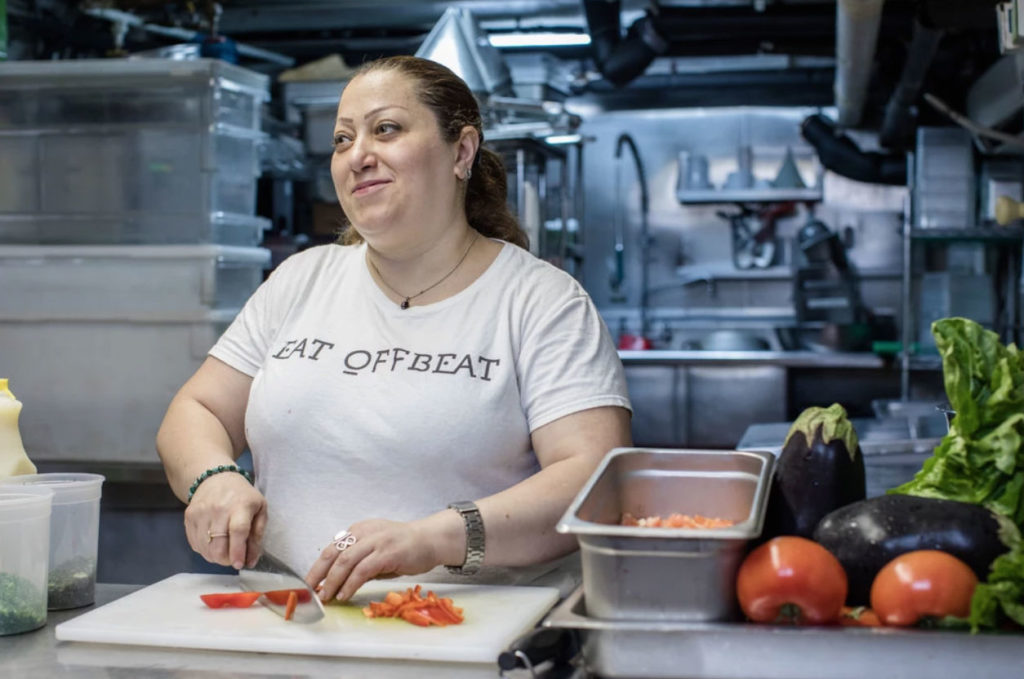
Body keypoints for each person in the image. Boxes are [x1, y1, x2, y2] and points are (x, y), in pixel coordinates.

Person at [156, 55, 632, 603]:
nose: (357, 156)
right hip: (292, 630)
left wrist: (434, 538)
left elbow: (594, 481)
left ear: (462, 151)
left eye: (386, 129)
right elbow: (197, 411)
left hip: (463, 635)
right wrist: (213, 477)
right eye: (341, 139)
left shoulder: (540, 302)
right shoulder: (302, 280)